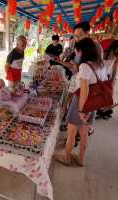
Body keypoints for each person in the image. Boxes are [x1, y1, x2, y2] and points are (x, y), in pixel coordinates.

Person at [54, 38, 107, 166]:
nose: (76, 53)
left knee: (71, 133)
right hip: (93, 103)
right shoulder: (100, 65)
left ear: (83, 51)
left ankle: (66, 158)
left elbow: (84, 90)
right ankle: (80, 158)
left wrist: (81, 110)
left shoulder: (85, 66)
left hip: (81, 103)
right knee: (84, 133)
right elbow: (102, 83)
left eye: (77, 51)